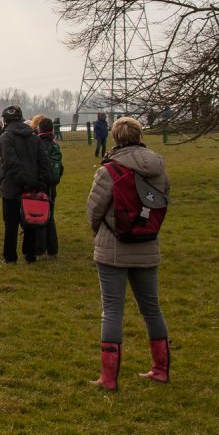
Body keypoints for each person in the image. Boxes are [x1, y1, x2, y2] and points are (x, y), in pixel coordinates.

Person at [87, 116, 172, 390]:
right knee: (152, 309)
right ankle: (161, 369)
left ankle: (109, 378)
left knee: (112, 311)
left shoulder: (108, 171)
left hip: (112, 246)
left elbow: (94, 210)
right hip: (147, 242)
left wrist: (98, 231)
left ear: (115, 138)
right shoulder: (158, 168)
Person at [0, 105, 52, 263]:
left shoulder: (6, 137)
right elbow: (43, 162)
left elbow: (10, 162)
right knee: (31, 221)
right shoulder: (33, 136)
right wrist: (38, 182)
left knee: (11, 224)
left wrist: (24, 181)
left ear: (5, 120)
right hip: (32, 184)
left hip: (11, 185)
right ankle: (30, 254)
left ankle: (10, 257)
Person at [34, 117, 63, 257]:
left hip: (40, 184)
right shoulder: (54, 144)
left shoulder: (36, 143)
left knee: (39, 216)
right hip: (52, 185)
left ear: (39, 129)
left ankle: (40, 248)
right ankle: (53, 249)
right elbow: (60, 167)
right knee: (50, 216)